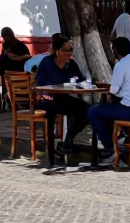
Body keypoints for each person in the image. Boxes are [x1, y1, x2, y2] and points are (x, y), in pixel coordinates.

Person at [89, 37, 130, 166]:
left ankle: (110, 149)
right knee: (107, 109)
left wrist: (106, 86)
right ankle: (117, 140)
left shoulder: (120, 65)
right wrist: (111, 87)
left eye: (113, 49)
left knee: (93, 111)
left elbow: (114, 90)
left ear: (116, 50)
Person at [34, 33, 89, 165]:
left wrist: (79, 82)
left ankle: (67, 141)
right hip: (46, 99)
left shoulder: (71, 64)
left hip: (63, 98)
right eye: (65, 50)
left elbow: (81, 81)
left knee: (87, 110)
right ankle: (52, 155)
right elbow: (39, 84)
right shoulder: (47, 63)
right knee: (55, 109)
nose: (68, 53)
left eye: (70, 50)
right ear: (57, 51)